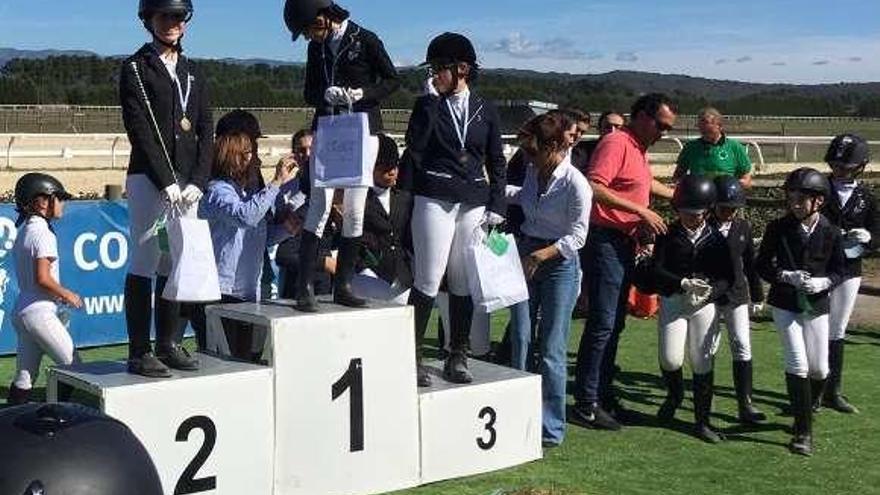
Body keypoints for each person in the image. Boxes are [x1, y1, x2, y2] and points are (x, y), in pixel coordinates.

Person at [403, 32, 506, 386]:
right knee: (429, 278)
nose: (434, 76)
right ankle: (410, 353)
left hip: (474, 201)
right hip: (435, 195)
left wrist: (498, 205)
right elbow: (415, 146)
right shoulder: (427, 104)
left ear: (461, 69)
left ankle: (457, 353)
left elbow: (496, 159)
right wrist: (429, 104)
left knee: (462, 279)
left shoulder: (486, 109)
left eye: (439, 69)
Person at [283, 0, 400, 312]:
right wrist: (325, 94)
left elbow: (392, 80)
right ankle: (304, 285)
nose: (309, 37)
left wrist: (363, 94)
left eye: (310, 29)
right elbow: (309, 91)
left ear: (324, 16)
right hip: (329, 128)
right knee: (320, 204)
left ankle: (345, 283)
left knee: (355, 207)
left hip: (362, 128)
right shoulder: (316, 49)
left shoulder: (366, 39)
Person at [571, 93, 676, 430]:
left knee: (613, 322)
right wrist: (640, 211)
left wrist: (679, 194)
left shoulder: (637, 149)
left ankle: (600, 393)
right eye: (661, 125)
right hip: (606, 241)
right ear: (643, 117)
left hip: (621, 243)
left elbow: (642, 184)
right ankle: (586, 402)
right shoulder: (617, 143)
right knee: (603, 322)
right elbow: (594, 187)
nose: (663, 132)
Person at [120, 0, 211, 377]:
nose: (171, 23)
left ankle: (168, 341)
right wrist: (166, 180)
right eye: (164, 17)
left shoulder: (194, 72)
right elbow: (140, 129)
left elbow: (206, 130)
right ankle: (140, 350)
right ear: (149, 21)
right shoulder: (136, 69)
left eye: (177, 17)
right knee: (144, 260)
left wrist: (199, 181)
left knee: (175, 261)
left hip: (187, 185)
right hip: (149, 179)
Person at [507, 111, 592, 447]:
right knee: (521, 338)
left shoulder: (576, 184)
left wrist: (540, 257)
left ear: (554, 146)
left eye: (534, 150)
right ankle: (516, 415)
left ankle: (551, 428)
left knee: (552, 347)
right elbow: (521, 198)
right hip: (526, 252)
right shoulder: (531, 172)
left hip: (558, 263)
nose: (529, 156)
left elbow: (578, 236)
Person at [756, 167, 845, 456]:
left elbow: (840, 270)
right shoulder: (777, 228)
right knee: (798, 363)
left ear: (818, 201)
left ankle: (811, 401)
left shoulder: (831, 231)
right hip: (785, 304)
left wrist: (825, 281)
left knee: (820, 368)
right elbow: (762, 266)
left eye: (800, 199)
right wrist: (784, 276)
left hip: (817, 304)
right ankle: (802, 431)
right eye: (790, 198)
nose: (793, 204)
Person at [193, 128, 300, 359]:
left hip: (250, 291)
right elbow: (246, 217)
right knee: (224, 361)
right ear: (233, 157)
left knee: (252, 360)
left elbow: (258, 237)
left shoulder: (246, 192)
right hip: (222, 291)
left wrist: (286, 230)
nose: (256, 159)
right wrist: (277, 181)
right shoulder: (216, 191)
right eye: (249, 153)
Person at [652, 175, 733, 443]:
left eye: (697, 213)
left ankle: (702, 421)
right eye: (686, 213)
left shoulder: (717, 240)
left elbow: (727, 277)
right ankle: (674, 394)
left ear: (707, 211)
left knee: (701, 361)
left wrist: (713, 292)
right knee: (670, 359)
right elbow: (657, 269)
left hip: (703, 305)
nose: (691, 218)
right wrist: (682, 282)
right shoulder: (668, 234)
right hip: (675, 300)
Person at [7, 173, 80, 405]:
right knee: (75, 368)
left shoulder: (25, 232)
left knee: (24, 376)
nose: (63, 202)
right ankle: (55, 419)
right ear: (41, 201)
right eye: (59, 197)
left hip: (24, 311)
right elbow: (42, 278)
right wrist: (67, 294)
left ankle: (9, 427)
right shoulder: (44, 234)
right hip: (39, 313)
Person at [820, 134, 877, 414]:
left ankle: (834, 390)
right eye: (835, 165)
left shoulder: (866, 197)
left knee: (837, 328)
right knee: (815, 324)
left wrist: (868, 238)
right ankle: (813, 386)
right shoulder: (818, 189)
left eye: (844, 166)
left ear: (860, 167)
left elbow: (877, 235)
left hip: (849, 268)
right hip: (818, 267)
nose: (838, 170)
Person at [709, 176, 767, 424]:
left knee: (742, 344)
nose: (729, 213)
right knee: (707, 347)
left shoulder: (742, 227)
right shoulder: (703, 225)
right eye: (724, 208)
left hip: (736, 293)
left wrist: (757, 294)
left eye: (733, 209)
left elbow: (750, 264)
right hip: (708, 295)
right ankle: (705, 397)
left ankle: (746, 403)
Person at [350, 134, 414, 305]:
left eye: (394, 166)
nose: (392, 172)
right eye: (385, 168)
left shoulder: (405, 198)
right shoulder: (358, 199)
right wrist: (364, 267)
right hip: (368, 275)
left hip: (403, 277)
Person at [673, 107, 753, 188]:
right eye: (702, 130)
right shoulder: (690, 147)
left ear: (719, 126)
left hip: (726, 195)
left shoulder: (734, 147)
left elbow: (747, 179)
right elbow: (678, 175)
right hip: (699, 195)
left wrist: (739, 183)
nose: (705, 132)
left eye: (709, 130)